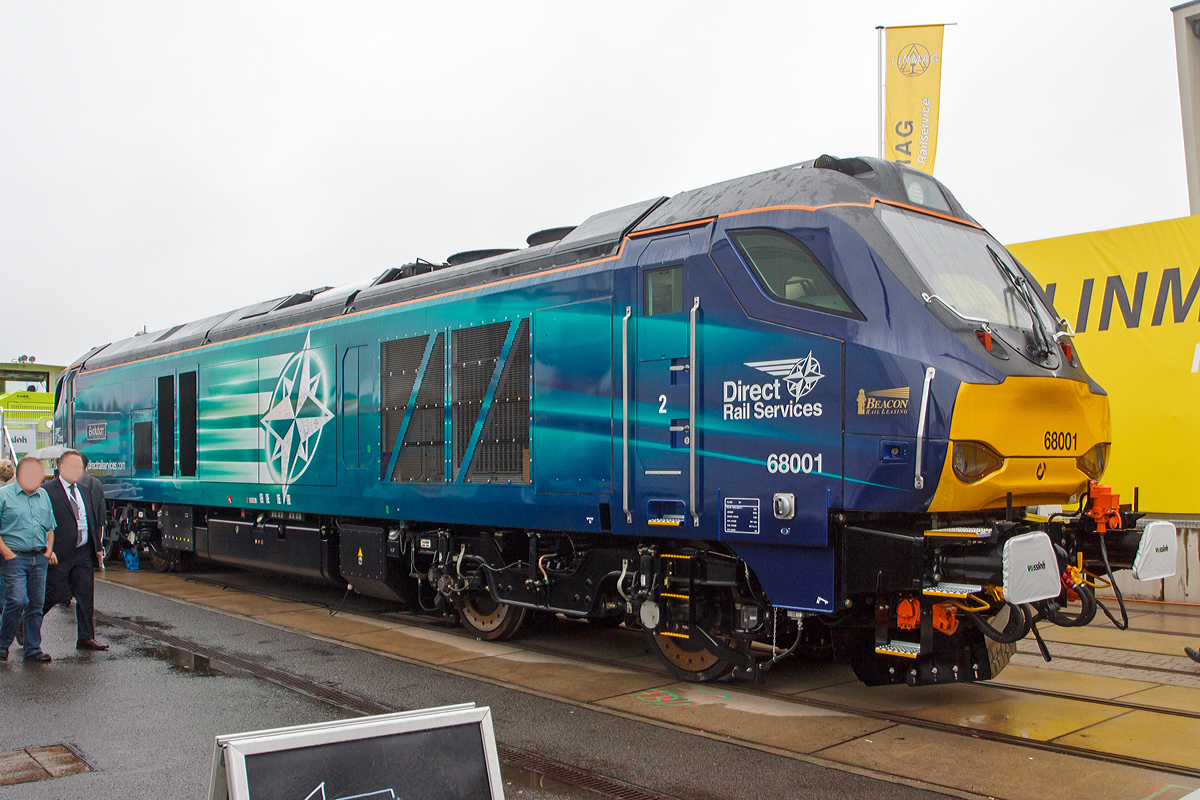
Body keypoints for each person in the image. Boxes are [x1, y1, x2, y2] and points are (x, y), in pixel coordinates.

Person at [42, 450, 107, 651]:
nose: (78, 471)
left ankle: (86, 637)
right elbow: (41, 522)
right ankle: (24, 624)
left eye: (80, 467)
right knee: (52, 593)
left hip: (83, 551)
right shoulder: (48, 491)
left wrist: (97, 547)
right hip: (60, 551)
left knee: (85, 595)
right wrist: (47, 548)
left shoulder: (85, 489)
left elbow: (91, 519)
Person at [0, 456, 56, 662]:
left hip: (38, 559)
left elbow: (50, 527)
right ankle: (2, 644)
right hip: (15, 558)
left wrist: (48, 551)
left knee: (35, 605)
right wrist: (7, 553)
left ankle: (32, 650)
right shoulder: (3, 495)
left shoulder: (43, 496)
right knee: (16, 601)